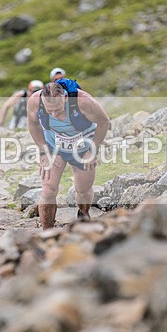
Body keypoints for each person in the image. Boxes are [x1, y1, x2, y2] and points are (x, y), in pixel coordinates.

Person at [27, 80, 110, 229]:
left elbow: (104, 122)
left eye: (58, 110)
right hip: (54, 147)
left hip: (82, 147)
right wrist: (43, 152)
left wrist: (92, 151)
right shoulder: (34, 101)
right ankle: (47, 232)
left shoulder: (82, 101)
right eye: (49, 111)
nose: (54, 114)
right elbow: (33, 124)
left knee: (83, 191)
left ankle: (83, 214)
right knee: (48, 189)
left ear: (65, 97)